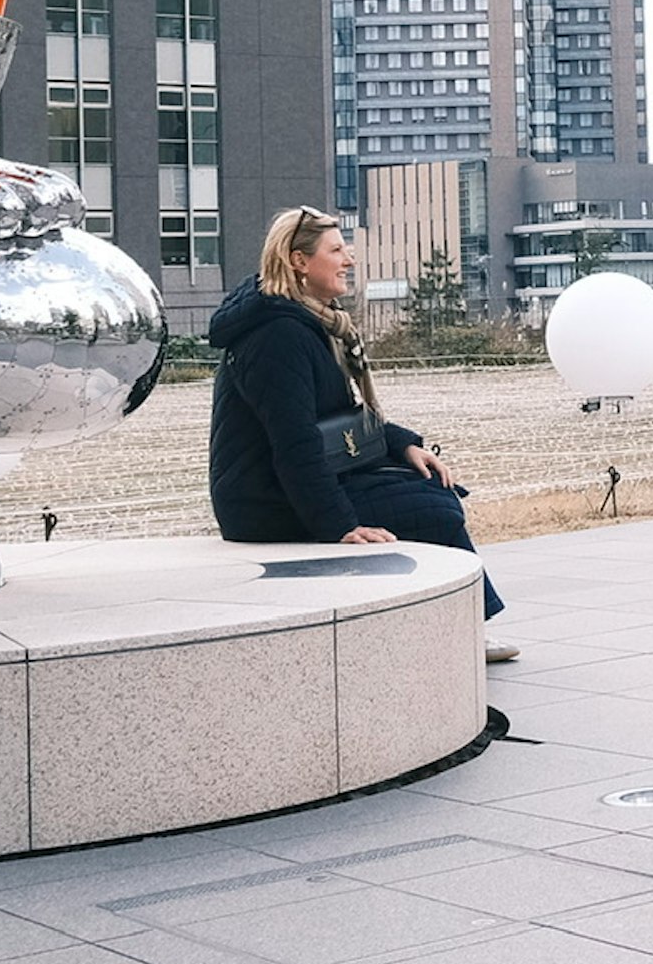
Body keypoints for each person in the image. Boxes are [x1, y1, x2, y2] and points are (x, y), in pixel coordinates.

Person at [209, 206, 515, 662]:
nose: (348, 260)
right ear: (298, 261)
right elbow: (294, 444)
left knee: (432, 491)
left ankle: (460, 628)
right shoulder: (277, 336)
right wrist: (340, 526)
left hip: (293, 482)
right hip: (262, 499)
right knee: (431, 511)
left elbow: (338, 414)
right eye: (336, 250)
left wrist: (402, 442)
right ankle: (462, 634)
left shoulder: (308, 320)